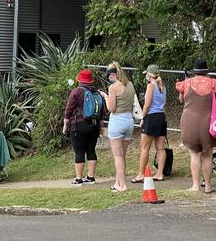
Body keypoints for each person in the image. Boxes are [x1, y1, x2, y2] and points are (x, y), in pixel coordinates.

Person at [175, 59, 216, 193]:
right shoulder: (214, 83)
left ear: (195, 72)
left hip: (189, 121)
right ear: (206, 71)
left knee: (194, 153)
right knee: (208, 154)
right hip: (208, 121)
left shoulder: (186, 83)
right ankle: (208, 186)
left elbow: (181, 100)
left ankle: (195, 185)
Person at [63, 69, 105, 186]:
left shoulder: (76, 92)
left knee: (79, 151)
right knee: (91, 150)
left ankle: (78, 179)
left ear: (80, 80)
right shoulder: (97, 92)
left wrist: (66, 122)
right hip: (94, 125)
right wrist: (101, 125)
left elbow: (69, 108)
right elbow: (102, 111)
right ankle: (91, 177)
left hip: (79, 125)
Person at [132, 65, 168, 183]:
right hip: (161, 116)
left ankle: (141, 174)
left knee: (144, 148)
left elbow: (147, 104)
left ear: (149, 74)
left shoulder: (150, 86)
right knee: (160, 148)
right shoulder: (162, 86)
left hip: (151, 117)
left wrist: (143, 117)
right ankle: (160, 173)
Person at [104, 62, 135, 192]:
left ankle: (122, 185)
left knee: (117, 156)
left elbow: (111, 108)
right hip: (129, 120)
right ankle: (118, 182)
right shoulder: (130, 85)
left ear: (113, 74)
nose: (108, 78)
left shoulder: (113, 87)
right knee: (122, 155)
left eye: (109, 75)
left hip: (117, 120)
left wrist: (105, 97)